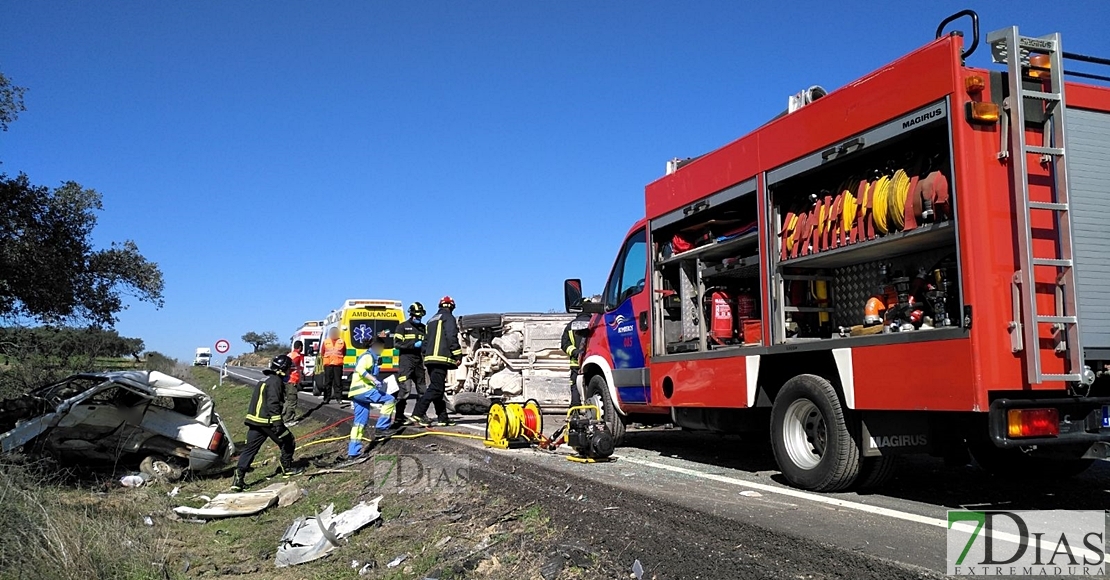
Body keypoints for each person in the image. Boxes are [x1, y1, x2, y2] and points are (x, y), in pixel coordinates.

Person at [231, 354, 303, 491]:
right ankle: (287, 468)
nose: (290, 372)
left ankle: (238, 479)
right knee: (288, 440)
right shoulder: (276, 382)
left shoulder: (266, 380)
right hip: (267, 421)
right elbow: (273, 403)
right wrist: (278, 424)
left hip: (255, 421)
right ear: (282, 369)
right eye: (288, 369)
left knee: (250, 450)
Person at [410, 296, 461, 427]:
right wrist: (457, 355)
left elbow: (425, 342)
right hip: (441, 359)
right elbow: (451, 336)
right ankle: (418, 413)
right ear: (451, 307)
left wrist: (426, 355)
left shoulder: (431, 320)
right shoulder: (448, 318)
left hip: (430, 359)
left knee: (439, 388)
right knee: (435, 388)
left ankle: (443, 418)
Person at [347, 335, 396, 457]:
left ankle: (353, 452)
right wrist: (374, 380)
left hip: (355, 392)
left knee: (359, 423)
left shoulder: (371, 357)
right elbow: (360, 369)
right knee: (390, 400)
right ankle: (381, 428)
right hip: (364, 390)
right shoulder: (368, 357)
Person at [392, 302, 427, 425]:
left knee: (422, 390)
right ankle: (399, 416)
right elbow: (397, 344)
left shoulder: (423, 328)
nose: (418, 319)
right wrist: (413, 345)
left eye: (420, 317)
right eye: (416, 316)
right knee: (405, 390)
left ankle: (420, 415)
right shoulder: (402, 327)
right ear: (411, 315)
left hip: (418, 361)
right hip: (406, 362)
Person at [561, 311, 592, 407]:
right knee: (591, 385)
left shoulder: (570, 326)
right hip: (591, 363)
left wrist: (575, 352)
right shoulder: (594, 323)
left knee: (575, 386)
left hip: (575, 363)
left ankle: (575, 410)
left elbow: (564, 344)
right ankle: (592, 409)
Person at [319, 327, 346, 404]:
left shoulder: (342, 342)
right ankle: (326, 398)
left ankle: (339, 398)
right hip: (328, 365)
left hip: (338, 365)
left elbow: (344, 352)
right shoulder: (326, 342)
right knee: (327, 382)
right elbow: (322, 352)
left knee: (338, 382)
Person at [283, 340, 305, 424]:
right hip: (292, 380)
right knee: (292, 401)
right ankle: (288, 420)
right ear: (300, 347)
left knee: (287, 400)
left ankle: (284, 417)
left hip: (287, 380)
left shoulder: (289, 354)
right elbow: (291, 366)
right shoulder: (296, 356)